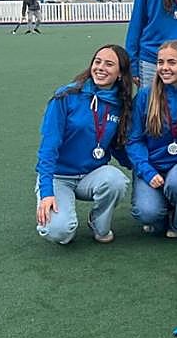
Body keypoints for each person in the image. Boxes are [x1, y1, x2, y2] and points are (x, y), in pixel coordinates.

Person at [35, 44, 133, 245]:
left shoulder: (121, 104)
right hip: (58, 177)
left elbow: (117, 147)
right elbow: (49, 147)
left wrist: (144, 168)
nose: (100, 68)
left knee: (116, 181)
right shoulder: (66, 96)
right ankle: (57, 216)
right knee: (60, 233)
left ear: (120, 74)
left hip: (91, 175)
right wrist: (46, 192)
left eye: (109, 64)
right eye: (97, 62)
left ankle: (98, 222)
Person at [127, 40, 177, 238]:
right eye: (160, 62)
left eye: (171, 63)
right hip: (151, 165)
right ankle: (161, 208)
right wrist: (147, 171)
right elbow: (134, 140)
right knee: (148, 214)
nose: (164, 68)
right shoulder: (145, 96)